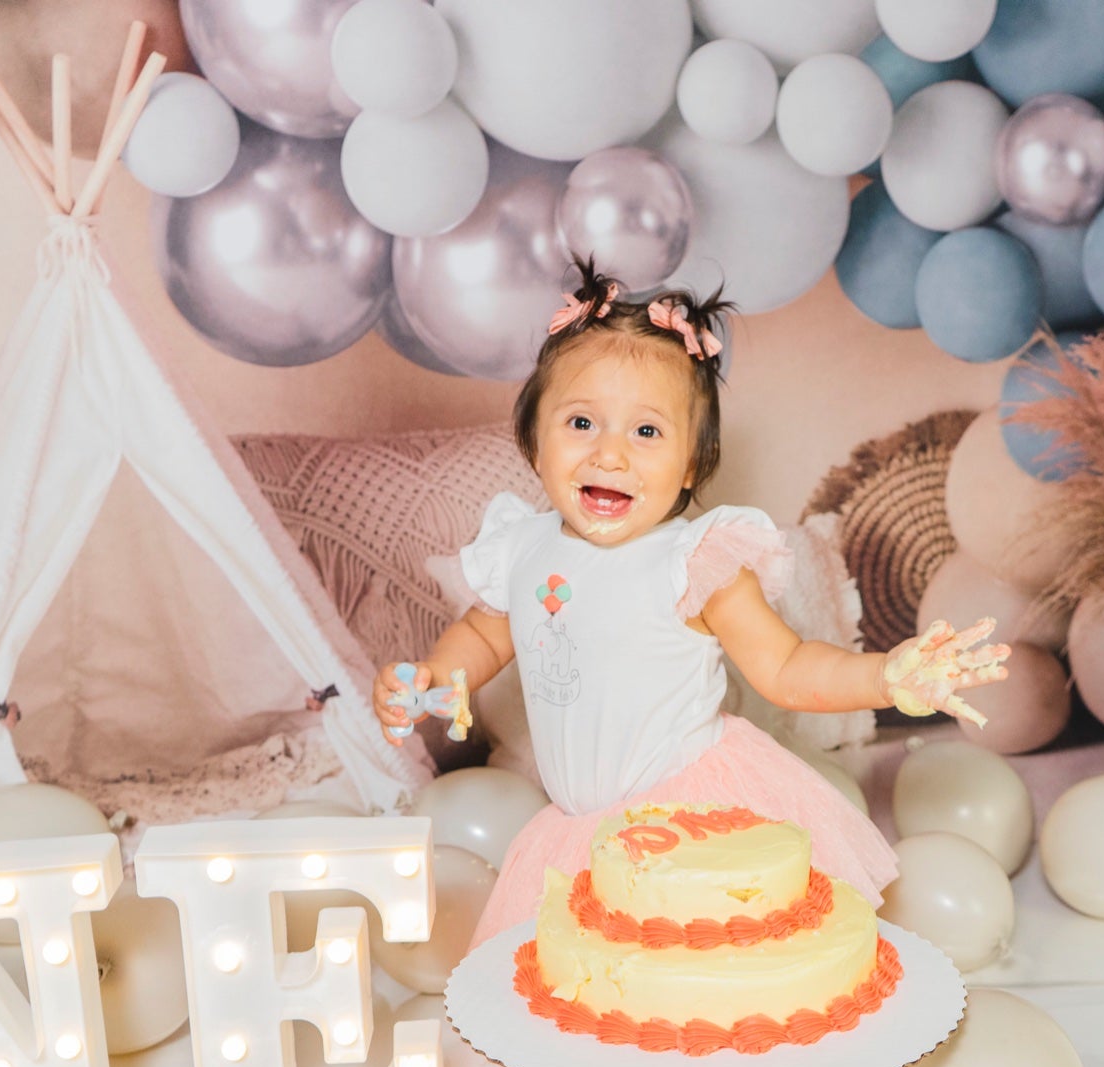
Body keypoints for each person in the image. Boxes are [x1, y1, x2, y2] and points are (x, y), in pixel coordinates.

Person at [378, 260, 1009, 949]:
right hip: (579, 827)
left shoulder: (691, 562)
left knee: (699, 971)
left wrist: (887, 676)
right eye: (582, 421)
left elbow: (788, 667)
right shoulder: (521, 548)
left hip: (691, 812)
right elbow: (484, 632)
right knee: (592, 983)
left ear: (688, 469)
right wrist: (437, 678)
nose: (611, 454)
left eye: (646, 432)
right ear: (534, 441)